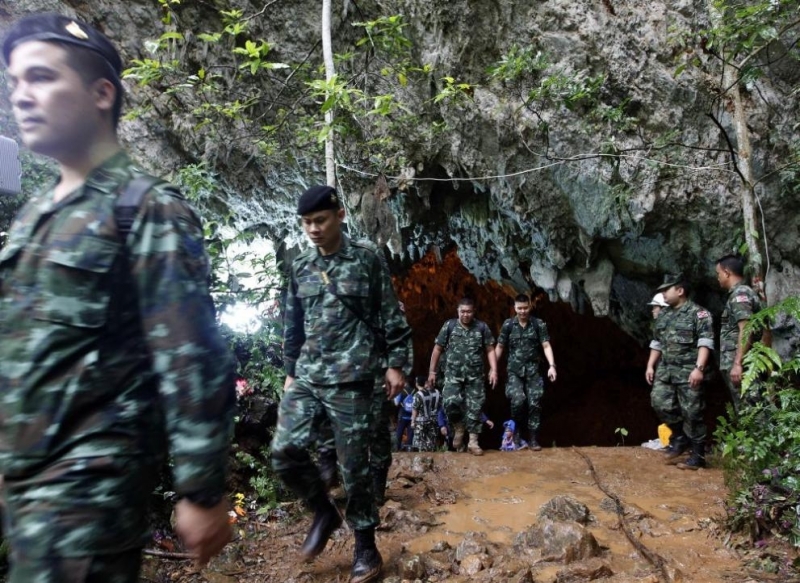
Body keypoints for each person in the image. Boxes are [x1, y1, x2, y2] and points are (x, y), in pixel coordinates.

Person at [0, 14, 235, 582]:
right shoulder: (35, 218)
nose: (20, 97)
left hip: (89, 491)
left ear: (101, 93)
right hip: (23, 482)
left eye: (41, 78)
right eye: (13, 82)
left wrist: (202, 490)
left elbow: (191, 357)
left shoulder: (147, 209)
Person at [272, 185, 412, 583]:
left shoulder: (366, 259)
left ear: (339, 216)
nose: (313, 229)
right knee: (284, 451)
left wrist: (396, 364)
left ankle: (366, 547)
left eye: (319, 220)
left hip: (354, 378)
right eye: (306, 223)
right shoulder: (300, 266)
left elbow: (390, 314)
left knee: (355, 470)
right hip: (310, 376)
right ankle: (322, 511)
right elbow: (292, 326)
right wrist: (289, 373)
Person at [645, 277, 714, 470]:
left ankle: (698, 456)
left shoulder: (699, 314)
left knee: (692, 412)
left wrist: (699, 368)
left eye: (667, 289)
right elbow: (657, 342)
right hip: (666, 371)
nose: (663, 293)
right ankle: (680, 437)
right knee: (659, 403)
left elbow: (705, 342)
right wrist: (650, 365)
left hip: (689, 372)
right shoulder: (664, 315)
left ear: (680, 291)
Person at [428, 298, 498, 456]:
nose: (465, 314)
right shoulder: (449, 326)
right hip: (453, 375)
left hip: (475, 376)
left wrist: (493, 370)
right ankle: (458, 426)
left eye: (468, 311)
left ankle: (473, 442)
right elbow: (438, 348)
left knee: (475, 407)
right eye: (462, 311)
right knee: (449, 403)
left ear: (473, 312)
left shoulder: (481, 327)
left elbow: (490, 349)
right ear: (457, 311)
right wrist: (432, 372)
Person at [495, 294, 557, 451]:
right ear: (514, 308)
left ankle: (534, 438)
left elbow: (546, 345)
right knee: (518, 400)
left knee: (535, 402)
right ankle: (516, 433)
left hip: (533, 371)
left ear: (530, 306)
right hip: (514, 372)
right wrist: (493, 368)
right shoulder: (508, 325)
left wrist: (552, 365)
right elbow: (500, 346)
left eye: (525, 308)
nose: (522, 311)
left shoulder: (538, 324)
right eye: (519, 308)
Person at [715, 254, 764, 413]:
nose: (718, 278)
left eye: (718, 273)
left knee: (751, 411)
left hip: (743, 365)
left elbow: (746, 328)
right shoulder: (741, 293)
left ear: (727, 272)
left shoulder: (739, 295)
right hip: (745, 363)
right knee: (747, 410)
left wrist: (737, 363)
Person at [411, 377, 442, 452]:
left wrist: (413, 421)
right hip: (431, 419)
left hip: (421, 421)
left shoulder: (417, 395)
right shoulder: (431, 393)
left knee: (420, 442)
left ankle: (422, 458)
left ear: (417, 383)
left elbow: (415, 409)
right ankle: (430, 456)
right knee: (430, 441)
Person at [393, 380, 416, 451]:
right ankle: (409, 449)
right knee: (410, 434)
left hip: (402, 415)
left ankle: (397, 448)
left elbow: (396, 403)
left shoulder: (401, 391)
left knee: (399, 433)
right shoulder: (415, 391)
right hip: (412, 416)